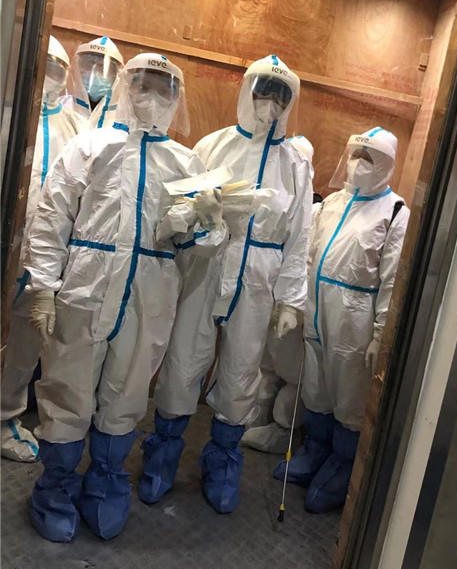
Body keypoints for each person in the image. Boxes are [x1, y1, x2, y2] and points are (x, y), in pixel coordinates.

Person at [25, 53, 227, 542]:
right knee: (68, 388)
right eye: (143, 83)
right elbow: (52, 217)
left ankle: (107, 484)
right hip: (86, 289)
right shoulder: (90, 146)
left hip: (149, 297)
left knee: (128, 391)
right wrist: (44, 287)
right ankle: (54, 489)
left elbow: (196, 249)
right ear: (125, 85)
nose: (153, 95)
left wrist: (204, 224)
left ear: (177, 97)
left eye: (165, 87)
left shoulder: (186, 164)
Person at [138, 55, 313, 514]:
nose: (270, 102)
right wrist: (203, 215)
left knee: (241, 370)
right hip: (207, 263)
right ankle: (162, 458)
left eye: (281, 95)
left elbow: (300, 235)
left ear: (291, 102)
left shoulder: (296, 163)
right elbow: (180, 209)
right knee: (183, 360)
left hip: (258, 276)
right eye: (263, 90)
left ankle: (222, 464)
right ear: (246, 91)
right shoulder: (213, 145)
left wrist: (290, 300)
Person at [274, 128, 410, 513]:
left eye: (369, 158)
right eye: (355, 155)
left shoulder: (394, 212)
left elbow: (392, 280)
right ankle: (315, 450)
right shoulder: (333, 203)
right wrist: (295, 304)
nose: (358, 164)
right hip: (317, 307)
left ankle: (342, 463)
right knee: (315, 383)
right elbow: (306, 254)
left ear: (386, 165)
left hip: (355, 317)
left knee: (349, 393)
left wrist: (380, 334)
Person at [1, 36, 82, 462]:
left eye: (56, 68)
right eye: (41, 66)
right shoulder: (8, 114)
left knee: (23, 349)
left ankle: (5, 420)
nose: (47, 76)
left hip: (40, 265)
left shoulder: (77, 130)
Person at [241, 135, 318, 454]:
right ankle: (256, 417)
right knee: (264, 365)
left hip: (293, 304)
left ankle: (283, 431)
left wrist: (292, 303)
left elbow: (302, 257)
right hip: (265, 298)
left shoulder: (314, 210)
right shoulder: (272, 200)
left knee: (290, 370)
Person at [68, 36, 124, 129]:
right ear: (79, 68)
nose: (94, 74)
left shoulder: (121, 118)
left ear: (116, 75)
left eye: (103, 68)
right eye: (89, 65)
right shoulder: (63, 107)